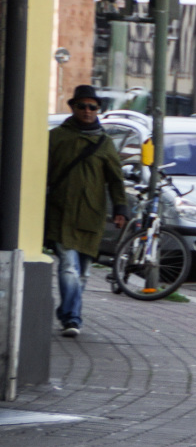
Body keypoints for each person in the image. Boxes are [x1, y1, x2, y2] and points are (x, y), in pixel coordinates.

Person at [45, 85, 126, 338]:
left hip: (91, 215)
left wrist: (121, 208)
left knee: (83, 273)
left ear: (98, 110)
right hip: (61, 212)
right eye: (82, 106)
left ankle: (69, 313)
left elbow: (115, 180)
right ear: (73, 108)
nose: (87, 111)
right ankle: (72, 318)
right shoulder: (57, 137)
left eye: (92, 107)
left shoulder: (105, 144)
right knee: (68, 267)